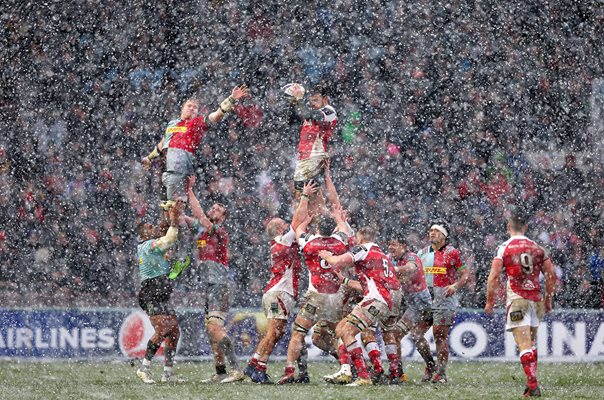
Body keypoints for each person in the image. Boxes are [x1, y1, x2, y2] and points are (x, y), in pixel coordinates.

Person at [243, 182, 318, 384]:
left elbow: (298, 222)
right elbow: (296, 222)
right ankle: (254, 365)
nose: (286, 225)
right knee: (274, 332)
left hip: (280, 292)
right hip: (278, 293)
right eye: (282, 224)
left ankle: (258, 365)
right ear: (278, 229)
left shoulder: (281, 242)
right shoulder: (282, 240)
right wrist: (304, 196)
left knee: (277, 332)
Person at [277, 206, 352, 384]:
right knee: (338, 334)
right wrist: (338, 217)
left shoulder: (310, 242)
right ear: (332, 228)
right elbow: (343, 229)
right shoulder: (340, 242)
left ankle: (290, 371)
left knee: (298, 333)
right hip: (335, 295)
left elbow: (297, 229)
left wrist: (306, 220)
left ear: (318, 228)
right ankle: (347, 367)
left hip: (316, 294)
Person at [142, 85, 249, 210]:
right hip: (165, 169)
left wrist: (231, 99)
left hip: (180, 167)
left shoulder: (197, 122)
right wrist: (149, 158)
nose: (192, 108)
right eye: (189, 106)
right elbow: (163, 143)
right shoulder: (172, 123)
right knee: (165, 212)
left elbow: (216, 116)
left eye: (195, 107)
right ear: (182, 108)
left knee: (175, 209)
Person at [485, 210, 555, 397]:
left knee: (523, 343)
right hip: (536, 300)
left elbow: (494, 277)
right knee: (531, 343)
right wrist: (548, 300)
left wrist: (489, 302)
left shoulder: (504, 247)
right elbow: (551, 275)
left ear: (509, 227)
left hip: (517, 299)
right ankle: (530, 383)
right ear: (525, 227)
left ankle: (533, 385)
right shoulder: (539, 248)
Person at [318, 226, 398, 387]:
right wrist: (345, 281)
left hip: (375, 301)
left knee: (347, 331)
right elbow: (366, 285)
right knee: (341, 328)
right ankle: (348, 370)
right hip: (381, 299)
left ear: (361, 238)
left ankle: (363, 375)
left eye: (355, 237)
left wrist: (327, 256)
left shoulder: (363, 249)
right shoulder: (381, 255)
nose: (354, 240)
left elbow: (337, 261)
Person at [184, 177, 242, 383]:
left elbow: (198, 215)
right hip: (210, 285)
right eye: (213, 207)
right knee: (211, 332)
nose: (214, 209)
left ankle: (236, 369)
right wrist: (173, 205)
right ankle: (220, 372)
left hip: (220, 284)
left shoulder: (218, 230)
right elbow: (181, 218)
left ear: (223, 217)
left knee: (214, 328)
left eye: (218, 209)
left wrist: (189, 190)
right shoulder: (202, 231)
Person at [135, 200, 186, 384]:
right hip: (151, 292)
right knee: (163, 328)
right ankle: (144, 368)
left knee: (174, 332)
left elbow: (165, 231)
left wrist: (168, 213)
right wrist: (174, 218)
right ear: (144, 233)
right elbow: (169, 238)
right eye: (150, 226)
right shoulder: (147, 245)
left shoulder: (154, 244)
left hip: (161, 291)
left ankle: (167, 374)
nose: (153, 227)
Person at [417, 220, 469, 383]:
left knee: (439, 336)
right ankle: (430, 364)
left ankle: (441, 373)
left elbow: (465, 274)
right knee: (416, 334)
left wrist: (455, 286)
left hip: (444, 300)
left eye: (436, 231)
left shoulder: (452, 253)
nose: (432, 233)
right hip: (425, 300)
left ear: (444, 236)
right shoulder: (422, 253)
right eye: (430, 230)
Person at [286, 84, 339, 216]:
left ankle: (319, 227)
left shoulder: (329, 111)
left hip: (315, 158)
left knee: (311, 199)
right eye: (311, 101)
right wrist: (293, 102)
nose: (313, 104)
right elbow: (291, 120)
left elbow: (315, 116)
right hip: (303, 160)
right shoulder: (308, 113)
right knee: (303, 198)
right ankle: (314, 227)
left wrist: (298, 101)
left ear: (325, 99)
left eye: (316, 100)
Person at [388, 234, 435, 383]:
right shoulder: (393, 259)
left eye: (394, 244)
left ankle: (430, 366)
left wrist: (393, 269)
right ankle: (399, 373)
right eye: (389, 244)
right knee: (396, 335)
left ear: (403, 246)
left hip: (425, 305)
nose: (390, 247)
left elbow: (410, 269)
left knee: (416, 335)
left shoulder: (412, 257)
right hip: (413, 307)